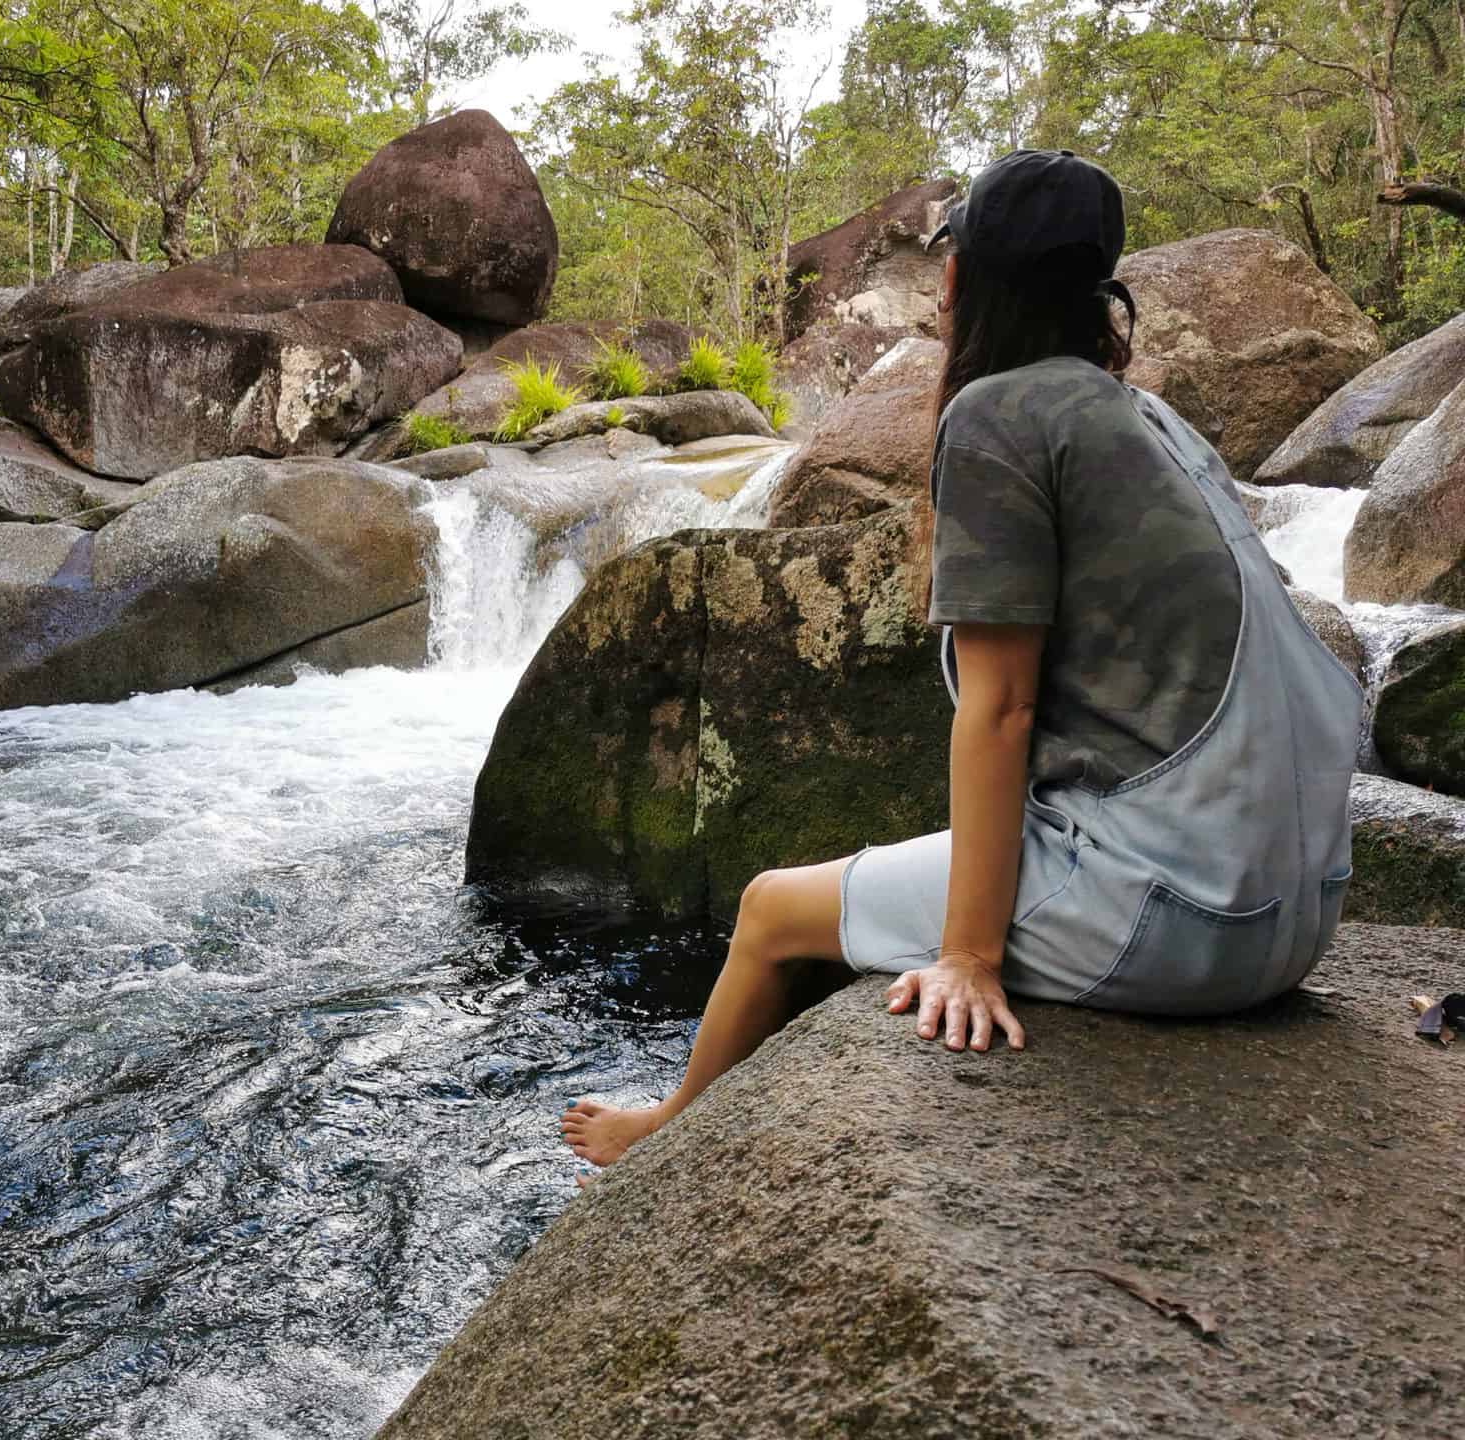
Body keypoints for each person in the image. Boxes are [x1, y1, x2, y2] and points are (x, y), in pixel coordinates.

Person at [563, 149, 1363, 1172]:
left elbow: (999, 711)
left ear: (960, 278)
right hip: (1303, 909)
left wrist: (968, 958)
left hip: (1187, 917)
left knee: (767, 908)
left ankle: (664, 1137)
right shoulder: (1149, 417)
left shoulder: (1001, 416)